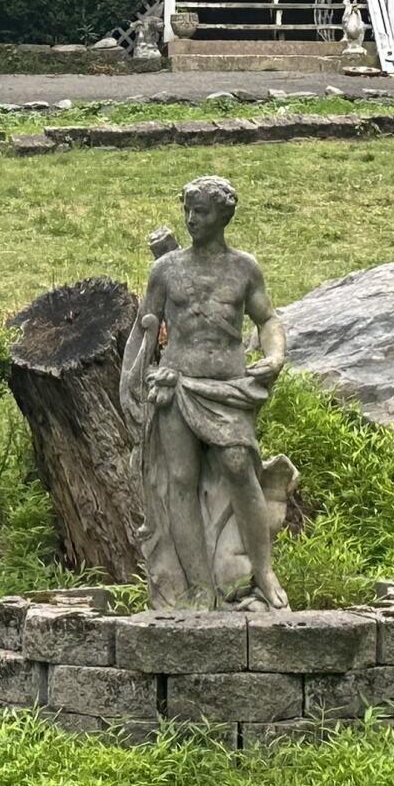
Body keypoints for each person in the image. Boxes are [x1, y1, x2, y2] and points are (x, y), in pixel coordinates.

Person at [118, 175, 290, 610]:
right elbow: (144, 327)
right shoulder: (167, 269)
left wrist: (275, 355)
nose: (192, 220)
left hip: (229, 387)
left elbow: (267, 320)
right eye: (188, 211)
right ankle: (198, 587)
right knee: (180, 480)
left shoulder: (244, 268)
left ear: (224, 215)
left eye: (202, 212)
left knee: (238, 465)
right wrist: (135, 384)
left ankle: (263, 573)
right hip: (177, 386)